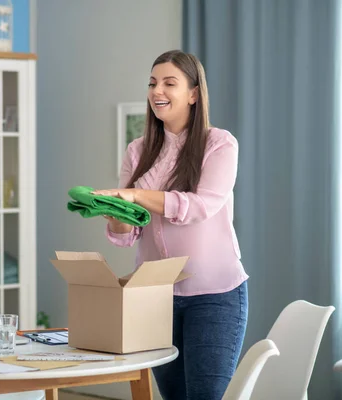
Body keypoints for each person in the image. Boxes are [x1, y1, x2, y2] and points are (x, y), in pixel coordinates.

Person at [93, 50, 249, 400]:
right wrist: (114, 210)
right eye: (152, 83)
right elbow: (128, 232)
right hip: (155, 296)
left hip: (215, 296)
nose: (156, 91)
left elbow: (201, 206)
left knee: (205, 395)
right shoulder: (138, 150)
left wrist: (134, 195)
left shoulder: (219, 144)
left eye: (168, 83)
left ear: (193, 93)